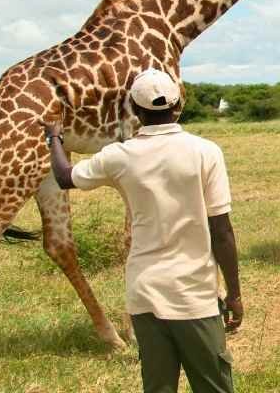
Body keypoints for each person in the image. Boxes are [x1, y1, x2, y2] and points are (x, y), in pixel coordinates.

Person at [42, 68, 243, 393]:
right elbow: (221, 231)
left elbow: (65, 176)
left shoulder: (119, 156)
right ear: (177, 106)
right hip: (194, 297)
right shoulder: (206, 152)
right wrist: (234, 294)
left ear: (135, 111)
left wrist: (54, 137)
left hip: (144, 295)